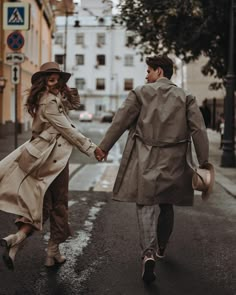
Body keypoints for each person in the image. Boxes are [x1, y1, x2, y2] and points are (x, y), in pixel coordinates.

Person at [96, 55, 209, 283]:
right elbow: (199, 130)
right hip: (175, 159)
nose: (146, 76)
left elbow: (120, 121)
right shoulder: (186, 97)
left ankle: (147, 253)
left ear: (159, 71)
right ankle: (162, 247)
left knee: (145, 203)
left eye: (148, 71)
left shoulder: (140, 93)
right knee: (166, 204)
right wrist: (204, 162)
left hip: (145, 157)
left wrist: (104, 147)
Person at [0, 62, 104, 270]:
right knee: (59, 204)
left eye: (59, 79)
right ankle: (52, 250)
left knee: (41, 204)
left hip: (39, 156)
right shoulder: (49, 102)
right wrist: (93, 149)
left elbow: (72, 106)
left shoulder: (49, 98)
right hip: (52, 159)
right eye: (52, 80)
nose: (56, 83)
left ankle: (17, 239)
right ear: (44, 82)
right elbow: (67, 130)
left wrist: (66, 92)